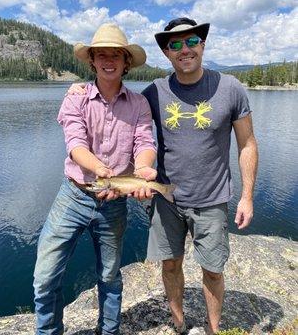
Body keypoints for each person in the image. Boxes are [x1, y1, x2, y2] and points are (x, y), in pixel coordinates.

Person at [67, 17, 258, 335]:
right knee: (170, 265)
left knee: (212, 270)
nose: (185, 49)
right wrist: (81, 90)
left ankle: (212, 330)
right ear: (166, 52)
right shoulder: (154, 92)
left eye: (192, 41)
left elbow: (248, 144)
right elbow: (118, 110)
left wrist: (248, 196)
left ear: (203, 44)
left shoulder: (231, 88)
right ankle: (179, 324)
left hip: (211, 201)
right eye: (176, 44)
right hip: (165, 201)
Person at [33, 22, 157, 335]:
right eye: (101, 53)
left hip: (114, 203)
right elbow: (75, 145)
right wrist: (105, 172)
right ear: (92, 60)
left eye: (116, 54)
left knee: (110, 276)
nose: (108, 59)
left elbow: (144, 144)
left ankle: (109, 331)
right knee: (45, 276)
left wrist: (142, 171)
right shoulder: (75, 98)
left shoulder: (140, 105)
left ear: (126, 62)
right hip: (73, 195)